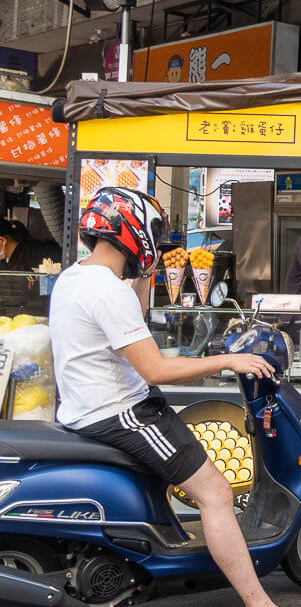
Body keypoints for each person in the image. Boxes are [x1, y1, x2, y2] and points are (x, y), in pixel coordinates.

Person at [50, 187, 278, 607]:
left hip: (86, 408)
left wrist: (144, 273)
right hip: (123, 412)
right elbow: (156, 370)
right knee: (216, 493)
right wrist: (229, 360)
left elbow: (130, 324)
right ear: (134, 230)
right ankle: (258, 602)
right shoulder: (107, 290)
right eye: (154, 232)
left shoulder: (75, 277)